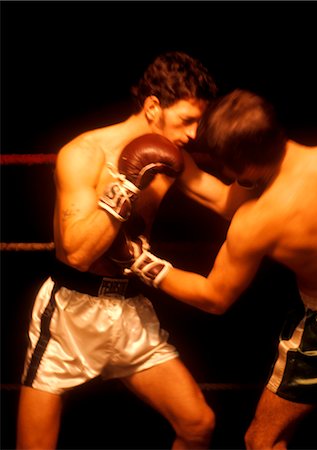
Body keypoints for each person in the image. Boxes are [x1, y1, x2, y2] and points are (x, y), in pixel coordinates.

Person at [134, 89, 317, 450]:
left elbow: (214, 298)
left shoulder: (259, 221)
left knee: (263, 439)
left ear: (240, 168)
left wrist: (142, 263)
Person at [17, 51, 255, 450]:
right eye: (186, 120)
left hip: (129, 309)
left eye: (200, 122)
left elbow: (229, 205)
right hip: (68, 316)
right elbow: (76, 253)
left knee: (198, 425)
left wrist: (250, 160)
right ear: (152, 107)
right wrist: (126, 185)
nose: (195, 134)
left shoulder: (171, 157)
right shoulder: (83, 154)